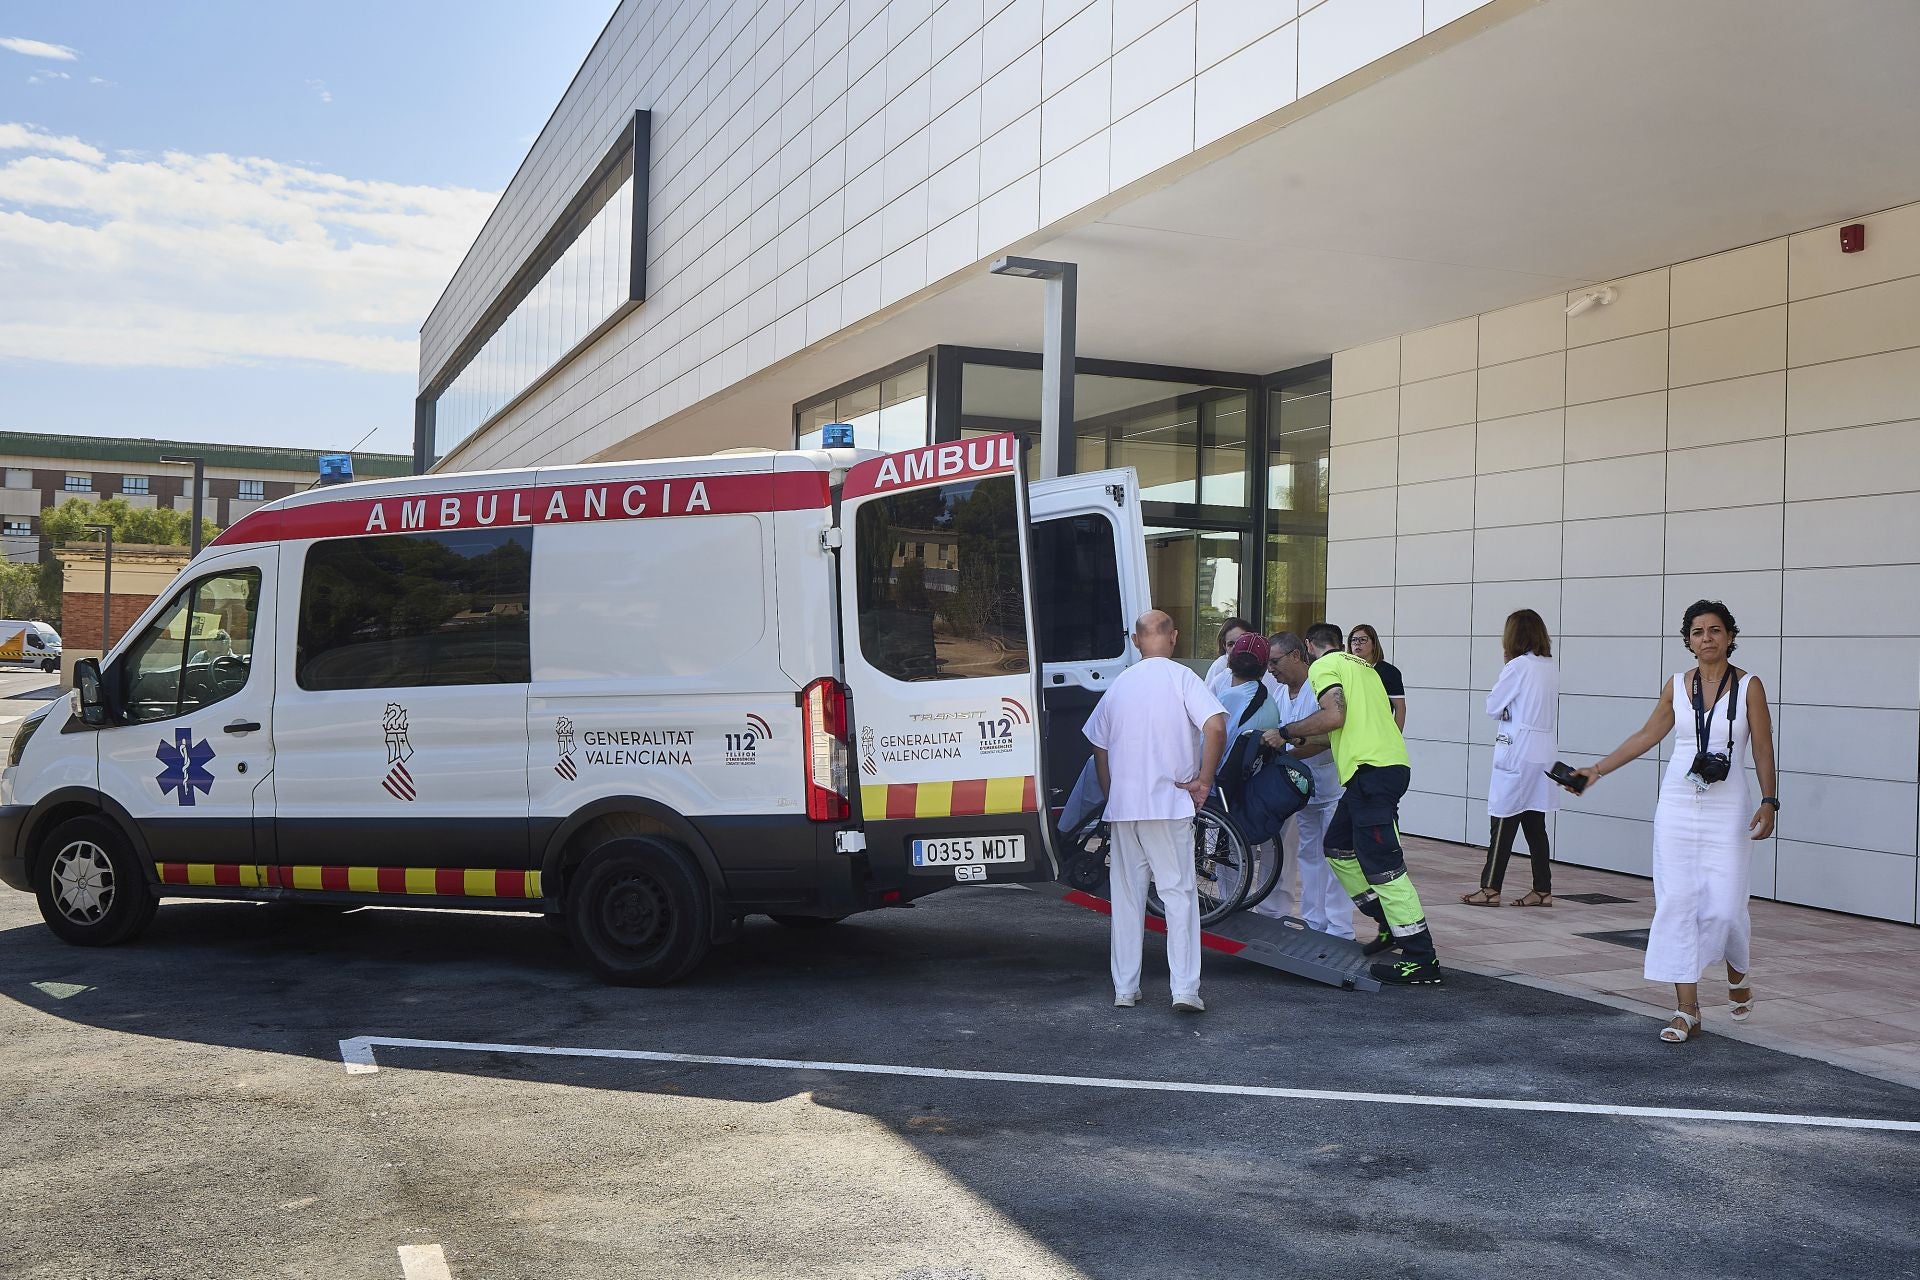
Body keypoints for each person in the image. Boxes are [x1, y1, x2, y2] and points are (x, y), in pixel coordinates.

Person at [1566, 601, 1777, 1043]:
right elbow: (1647, 735)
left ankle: (1737, 971)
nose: (1707, 638)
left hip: (1728, 804)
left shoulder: (1750, 685)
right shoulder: (1677, 687)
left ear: (1730, 636)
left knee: (1724, 905)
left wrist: (1770, 800)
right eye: (1698, 632)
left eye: (1715, 630)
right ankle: (1686, 1009)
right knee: (1678, 903)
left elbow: (1761, 747)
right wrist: (1596, 770)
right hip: (1679, 803)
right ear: (1688, 641)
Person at [1274, 622, 1441, 985]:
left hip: (1373, 774)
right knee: (1337, 848)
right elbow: (1335, 730)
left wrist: (1286, 732)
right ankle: (1388, 924)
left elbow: (1333, 715)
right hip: (1380, 770)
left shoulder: (1324, 666)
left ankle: (1420, 956)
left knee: (1385, 867)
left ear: (1307, 646)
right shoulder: (1365, 669)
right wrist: (1292, 746)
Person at [1084, 609, 1227, 1013]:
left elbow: (1098, 743)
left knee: (1127, 898)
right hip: (1168, 803)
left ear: (1135, 641)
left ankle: (1125, 988)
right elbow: (1216, 725)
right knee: (1178, 895)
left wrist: (1114, 792)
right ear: (1174, 637)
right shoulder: (1183, 678)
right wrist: (1203, 780)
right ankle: (1184, 988)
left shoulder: (1120, 685)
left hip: (1125, 809)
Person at [1464, 609, 1559, 908]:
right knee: (1534, 821)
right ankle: (1542, 889)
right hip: (1543, 751)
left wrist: (1506, 707)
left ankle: (1490, 888)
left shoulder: (1517, 666)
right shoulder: (1548, 666)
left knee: (1503, 818)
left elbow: (1493, 705)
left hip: (1518, 749)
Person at [1260, 632, 1350, 938]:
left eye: (1275, 661)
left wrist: (1286, 754)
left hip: (1333, 786)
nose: (1270, 669)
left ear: (1297, 655)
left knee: (1337, 858)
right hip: (1302, 792)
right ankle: (1314, 922)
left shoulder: (1320, 686)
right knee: (1309, 856)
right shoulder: (1280, 693)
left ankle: (1339, 928)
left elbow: (1326, 739)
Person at [1205, 616, 1282, 701]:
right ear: (1224, 646)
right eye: (1231, 644)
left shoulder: (1269, 672)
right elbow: (1206, 702)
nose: (1236, 648)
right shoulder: (1219, 668)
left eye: (1241, 642)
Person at [1347, 623, 1407, 731]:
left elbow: (1400, 708)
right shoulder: (1346, 670)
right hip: (1351, 732)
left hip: (1379, 733)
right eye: (1353, 640)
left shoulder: (1389, 672)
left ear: (1374, 644)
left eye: (1362, 639)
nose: (1357, 643)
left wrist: (1395, 738)